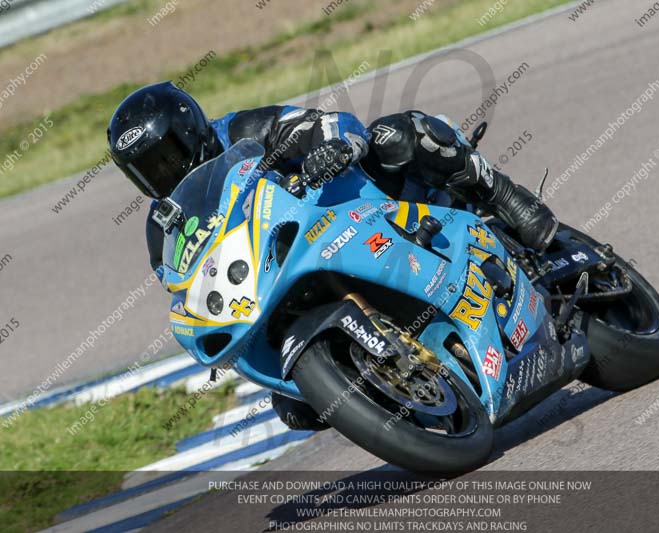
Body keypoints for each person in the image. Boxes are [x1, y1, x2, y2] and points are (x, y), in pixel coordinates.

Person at [107, 81, 559, 430]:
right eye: (147, 170)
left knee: (397, 135)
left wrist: (333, 145)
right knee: (295, 408)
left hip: (359, 206)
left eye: (168, 156)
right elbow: (185, 284)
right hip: (284, 277)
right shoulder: (163, 227)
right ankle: (384, 380)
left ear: (190, 131)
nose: (163, 173)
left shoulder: (243, 130)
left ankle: (501, 193)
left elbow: (323, 123)